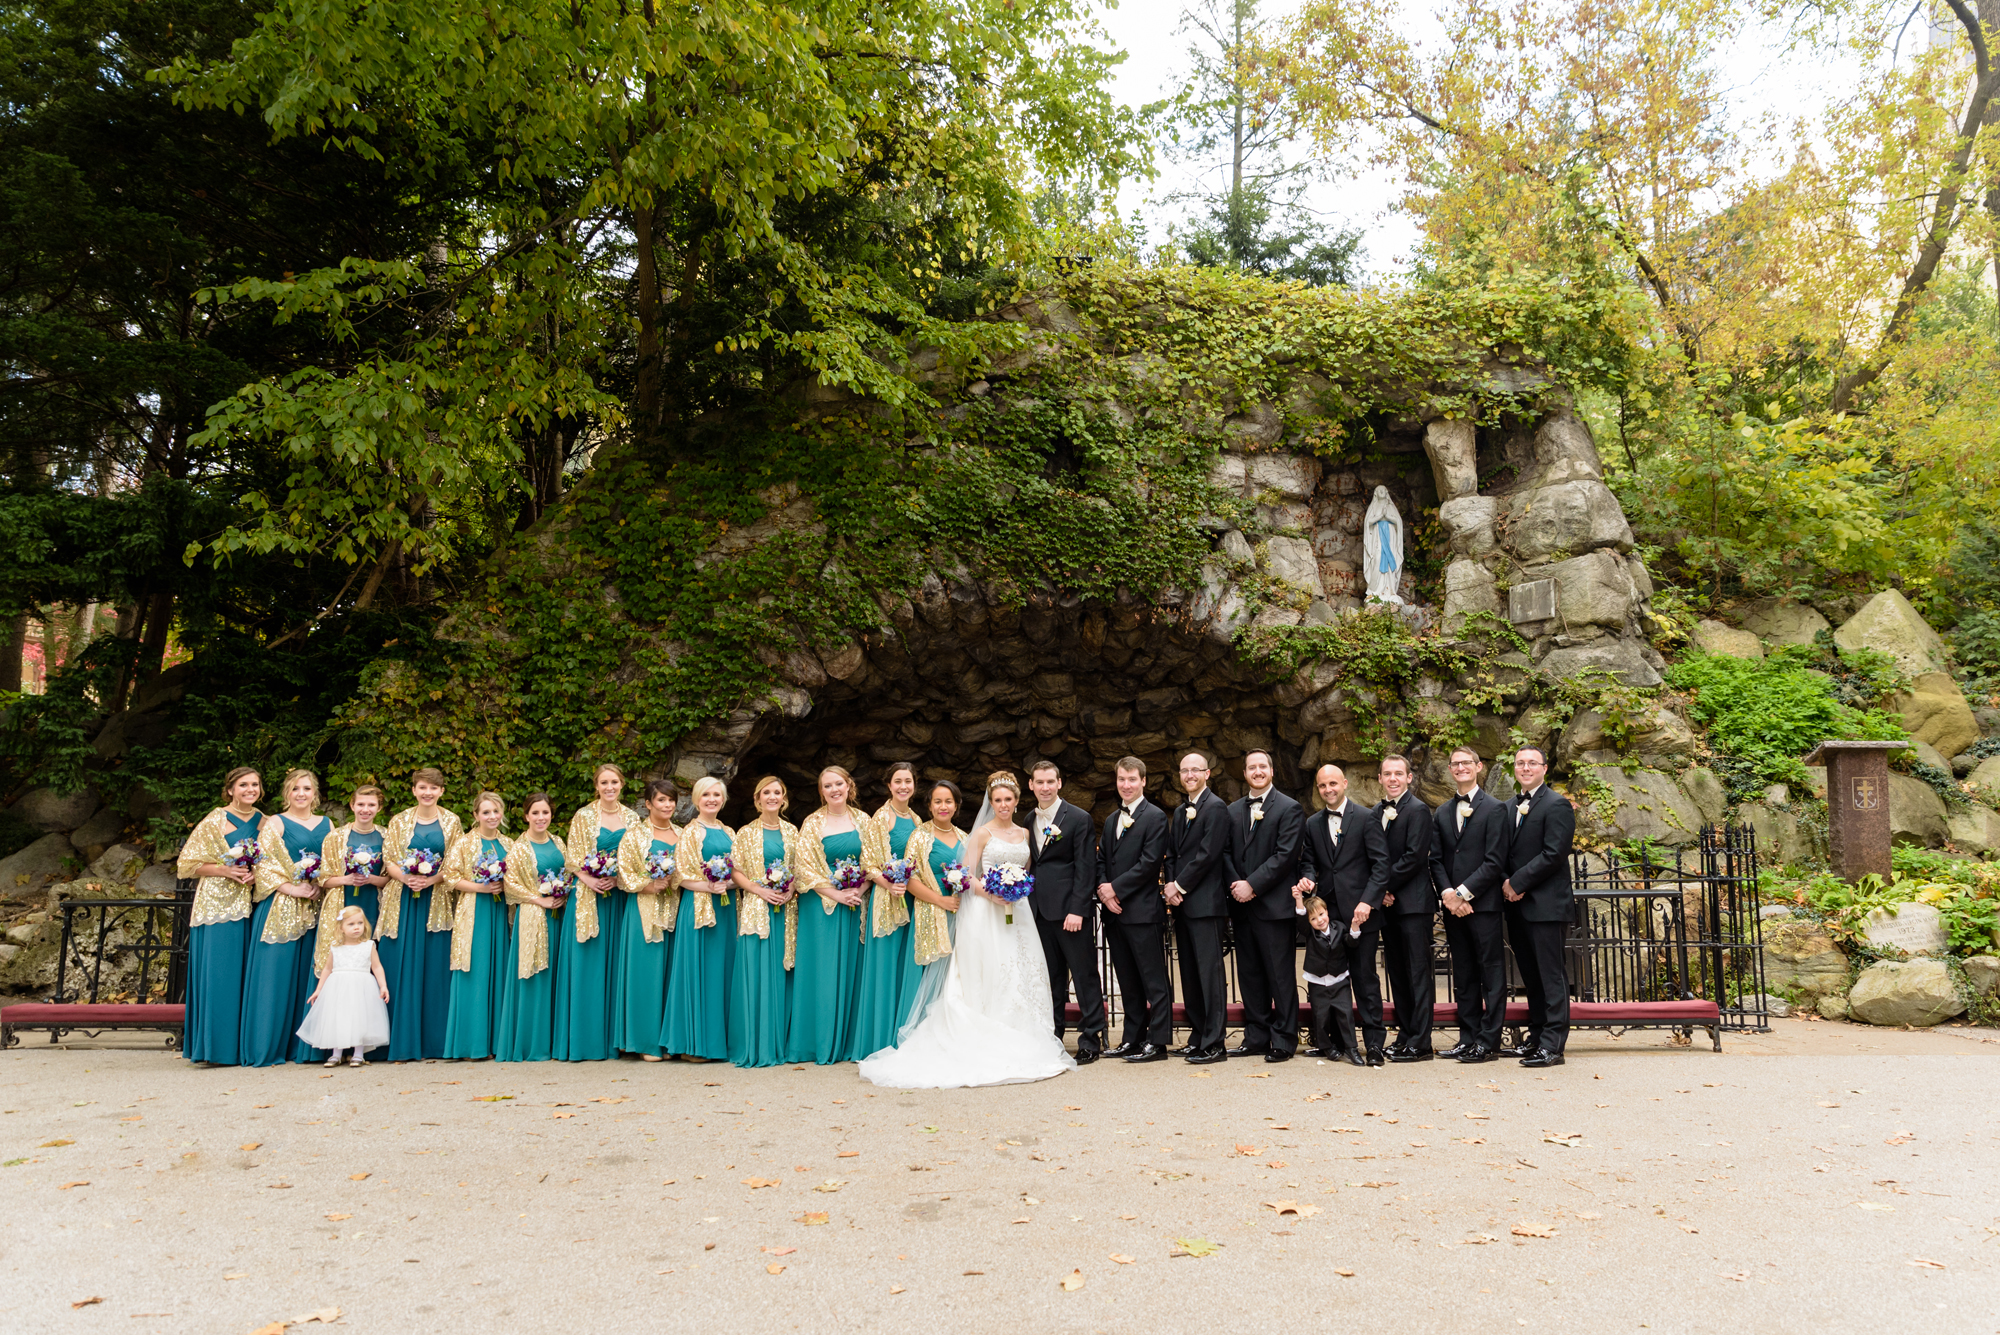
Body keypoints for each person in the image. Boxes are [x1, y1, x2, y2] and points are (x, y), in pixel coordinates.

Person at [857, 771, 1075, 1088]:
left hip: (1017, 911)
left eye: (1008, 799)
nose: (1002, 804)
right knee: (991, 968)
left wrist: (1017, 889)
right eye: (997, 799)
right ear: (991, 802)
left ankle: (1025, 1033)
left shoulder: (1025, 834)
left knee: (1021, 969)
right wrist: (990, 892)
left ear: (1016, 802)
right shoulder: (980, 834)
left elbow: (1025, 871)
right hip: (987, 909)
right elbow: (965, 874)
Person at [1294, 764, 1388, 1065]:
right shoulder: (1312, 823)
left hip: (1361, 914)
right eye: (1322, 786)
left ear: (1344, 783)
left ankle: (1373, 1043)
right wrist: (1307, 878)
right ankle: (1332, 1042)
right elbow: (1308, 861)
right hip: (1328, 917)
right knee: (1329, 980)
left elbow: (1380, 865)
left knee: (1364, 978)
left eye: (1333, 783)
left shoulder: (1367, 817)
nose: (1328, 790)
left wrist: (1368, 902)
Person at [786, 767, 881, 1064]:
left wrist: (861, 887)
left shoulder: (864, 821)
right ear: (821, 791)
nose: (834, 789)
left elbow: (874, 860)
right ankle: (818, 1043)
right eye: (828, 785)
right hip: (822, 905)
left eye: (839, 783)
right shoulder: (812, 823)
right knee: (823, 969)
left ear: (849, 785)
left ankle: (850, 1043)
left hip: (856, 902)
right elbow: (803, 868)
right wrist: (837, 893)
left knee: (853, 969)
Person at [178, 767, 265, 1066]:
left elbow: (275, 859)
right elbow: (188, 864)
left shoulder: (265, 822)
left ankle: (242, 1046)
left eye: (254, 784)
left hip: (252, 902)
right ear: (230, 789)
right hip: (217, 904)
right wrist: (225, 869)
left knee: (247, 976)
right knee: (220, 973)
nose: (250, 789)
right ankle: (215, 1049)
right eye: (243, 785)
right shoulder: (215, 820)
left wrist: (259, 874)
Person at [244, 769, 330, 1066]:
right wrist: (293, 888)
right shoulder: (276, 823)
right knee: (276, 976)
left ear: (315, 793)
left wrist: (321, 883)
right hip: (282, 906)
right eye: (295, 789)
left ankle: (305, 1048)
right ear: (287, 793)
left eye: (307, 788)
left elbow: (333, 861)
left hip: (317, 906)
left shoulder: (328, 824)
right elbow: (263, 865)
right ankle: (268, 1047)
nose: (301, 794)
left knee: (310, 976)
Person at [1429, 747, 1510, 1063]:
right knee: (1462, 973)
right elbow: (1436, 859)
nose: (1461, 768)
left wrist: (1462, 893)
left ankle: (1488, 1041)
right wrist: (1448, 894)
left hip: (1483, 905)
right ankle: (1468, 1037)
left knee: (1491, 972)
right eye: (1455, 764)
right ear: (1450, 770)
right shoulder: (1442, 812)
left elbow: (1494, 861)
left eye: (1467, 763)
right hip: (1453, 906)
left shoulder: (1495, 809)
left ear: (1479, 767)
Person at [1224, 750, 1305, 1062]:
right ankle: (1256, 1035)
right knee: (1250, 974)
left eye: (1262, 767)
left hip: (1273, 907)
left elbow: (1285, 857)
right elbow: (1225, 853)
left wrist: (1252, 885)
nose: (1257, 772)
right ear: (1244, 773)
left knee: (1279, 975)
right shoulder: (1231, 811)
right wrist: (1236, 886)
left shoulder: (1289, 808)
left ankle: (1284, 1039)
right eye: (1251, 767)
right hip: (1241, 906)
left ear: (1272, 771)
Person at [1022, 760, 1104, 1062]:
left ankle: (1091, 1037)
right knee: (1050, 977)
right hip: (1039, 911)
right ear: (1031, 785)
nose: (1044, 787)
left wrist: (1077, 910)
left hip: (1070, 912)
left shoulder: (1079, 818)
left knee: (1084, 976)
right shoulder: (1028, 818)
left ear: (1059, 783)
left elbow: (1086, 868)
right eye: (1039, 782)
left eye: (1050, 782)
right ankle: (1053, 1035)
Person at [381, 770, 462, 1061]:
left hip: (436, 899)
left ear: (442, 791)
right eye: (422, 787)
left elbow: (456, 862)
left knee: (435, 966)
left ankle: (435, 1042)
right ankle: (397, 1041)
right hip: (403, 898)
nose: (428, 792)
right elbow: (389, 858)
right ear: (414, 790)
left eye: (434, 787)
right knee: (400, 964)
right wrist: (406, 878)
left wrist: (431, 879)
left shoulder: (452, 821)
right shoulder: (399, 820)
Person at [1503, 746, 1576, 1067]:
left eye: (1532, 763)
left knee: (1551, 975)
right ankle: (1536, 1037)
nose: (1526, 767)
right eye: (1520, 763)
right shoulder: (1507, 808)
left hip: (1546, 905)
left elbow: (1554, 853)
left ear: (1544, 768)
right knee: (1530, 976)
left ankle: (1553, 1045)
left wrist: (1517, 883)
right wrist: (1506, 882)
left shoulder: (1557, 804)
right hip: (1516, 906)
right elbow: (1499, 851)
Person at [1095, 757, 1170, 1063]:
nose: (1126, 785)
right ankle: (1132, 1038)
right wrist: (1103, 890)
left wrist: (1116, 888)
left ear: (1143, 782)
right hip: (1115, 913)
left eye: (1132, 779)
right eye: (1121, 779)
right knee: (1127, 979)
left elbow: (1150, 863)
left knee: (1154, 980)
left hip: (1142, 912)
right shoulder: (1113, 819)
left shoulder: (1155, 817)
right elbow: (1101, 860)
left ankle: (1159, 1042)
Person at [556, 765, 632, 1062]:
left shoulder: (632, 817)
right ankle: (584, 1040)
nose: (609, 787)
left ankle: (614, 1040)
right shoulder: (583, 816)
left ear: (622, 784)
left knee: (615, 965)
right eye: (604, 782)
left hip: (618, 898)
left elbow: (636, 855)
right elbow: (572, 857)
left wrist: (618, 877)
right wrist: (589, 879)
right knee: (588, 963)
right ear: (596, 786)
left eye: (614, 781)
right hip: (588, 895)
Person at [664, 775, 739, 1061]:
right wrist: (708, 885)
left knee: (723, 970)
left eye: (717, 795)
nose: (712, 800)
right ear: (696, 799)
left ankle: (720, 1041)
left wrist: (729, 884)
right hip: (699, 908)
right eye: (706, 795)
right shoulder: (690, 832)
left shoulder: (730, 832)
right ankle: (693, 1043)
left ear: (723, 799)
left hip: (726, 905)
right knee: (700, 969)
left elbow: (739, 869)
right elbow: (680, 875)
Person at [1163, 751, 1231, 1064]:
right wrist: (1172, 887)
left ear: (1207, 773)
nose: (1190, 775)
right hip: (1183, 904)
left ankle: (1215, 1043)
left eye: (1195, 770)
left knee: (1210, 975)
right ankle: (1197, 1035)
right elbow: (1174, 854)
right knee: (1189, 973)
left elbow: (1208, 855)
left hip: (1206, 904)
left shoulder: (1216, 807)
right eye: (1184, 771)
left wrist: (1179, 885)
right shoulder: (1181, 810)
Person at [726, 775, 797, 1068]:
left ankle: (780, 1040)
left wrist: (790, 888)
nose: (772, 797)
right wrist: (760, 890)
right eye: (766, 792)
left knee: (783, 969)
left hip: (787, 906)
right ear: (757, 799)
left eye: (777, 792)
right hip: (757, 906)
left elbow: (800, 868)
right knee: (757, 970)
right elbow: (735, 871)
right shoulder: (745, 833)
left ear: (783, 798)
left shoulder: (793, 831)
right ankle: (755, 1043)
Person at [851, 763, 920, 1058]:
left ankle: (903, 1035)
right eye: (898, 781)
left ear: (914, 785)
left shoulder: (916, 818)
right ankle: (878, 1041)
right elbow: (868, 862)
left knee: (906, 967)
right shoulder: (882, 817)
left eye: (908, 781)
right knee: (885, 965)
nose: (903, 786)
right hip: (888, 897)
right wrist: (889, 884)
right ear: (889, 786)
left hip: (911, 897)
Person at [494, 794, 569, 1062]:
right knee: (535, 974)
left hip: (559, 915)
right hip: (534, 914)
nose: (541, 818)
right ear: (526, 816)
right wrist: (540, 900)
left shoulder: (558, 842)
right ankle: (531, 1042)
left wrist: (563, 892)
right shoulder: (519, 848)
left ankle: (554, 1039)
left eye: (545, 813)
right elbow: (510, 885)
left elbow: (568, 872)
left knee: (557, 974)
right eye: (535, 813)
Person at [1375, 754, 1439, 1062]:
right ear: (1380, 779)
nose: (1393, 779)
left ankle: (1421, 1041)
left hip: (1413, 904)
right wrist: (1381, 891)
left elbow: (1414, 857)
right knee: (1397, 973)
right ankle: (1405, 1032)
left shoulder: (1418, 810)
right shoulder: (1375, 812)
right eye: (1387, 774)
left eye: (1398, 773)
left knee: (1417, 972)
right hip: (1386, 906)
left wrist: (1384, 887)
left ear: (1409, 778)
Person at [441, 792, 512, 1060]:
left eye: (496, 811)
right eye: (486, 812)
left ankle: (497, 1042)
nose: (492, 816)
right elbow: (450, 877)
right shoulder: (464, 842)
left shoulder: (509, 843)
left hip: (501, 911)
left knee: (499, 969)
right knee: (475, 968)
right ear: (475, 815)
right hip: (475, 910)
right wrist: (480, 887)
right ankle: (471, 1044)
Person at [613, 778, 680, 1060]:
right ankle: (645, 1042)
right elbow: (623, 872)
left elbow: (688, 868)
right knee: (646, 972)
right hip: (644, 908)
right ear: (648, 804)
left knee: (669, 974)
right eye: (661, 800)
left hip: (675, 908)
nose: (667, 805)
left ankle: (667, 1040)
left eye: (671, 800)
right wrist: (647, 884)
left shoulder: (683, 833)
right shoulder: (634, 835)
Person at [899, 779, 966, 1041]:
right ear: (929, 806)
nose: (943, 806)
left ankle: (953, 1032)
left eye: (948, 801)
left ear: (956, 805)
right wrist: (941, 901)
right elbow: (910, 879)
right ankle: (924, 1035)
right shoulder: (920, 836)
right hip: (931, 910)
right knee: (930, 973)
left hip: (960, 913)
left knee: (955, 975)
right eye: (937, 801)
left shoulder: (964, 837)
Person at [313, 785, 391, 983]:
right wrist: (346, 879)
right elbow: (323, 878)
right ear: (352, 805)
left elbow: (392, 880)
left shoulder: (387, 837)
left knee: (371, 956)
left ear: (379, 808)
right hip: (343, 902)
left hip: (374, 903)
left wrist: (372, 879)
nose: (366, 809)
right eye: (361, 804)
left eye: (371, 805)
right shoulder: (336, 837)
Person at [296, 906, 391, 1067]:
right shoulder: (335, 947)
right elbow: (327, 968)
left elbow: (377, 967)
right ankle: (336, 1054)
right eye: (351, 924)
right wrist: (318, 990)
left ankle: (358, 1054)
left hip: (361, 988)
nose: (356, 927)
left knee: (360, 1018)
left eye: (360, 923)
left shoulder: (368, 946)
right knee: (338, 1017)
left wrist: (383, 986)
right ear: (341, 928)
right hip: (338, 988)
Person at [1299, 896, 1357, 1061]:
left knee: (1345, 1014)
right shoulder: (1309, 932)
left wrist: (1354, 927)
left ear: (1327, 912)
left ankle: (1351, 1048)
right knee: (1321, 1016)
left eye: (1322, 914)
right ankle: (1326, 1046)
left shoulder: (1339, 927)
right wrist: (1298, 899)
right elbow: (1301, 919)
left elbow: (1350, 943)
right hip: (1318, 981)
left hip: (1339, 979)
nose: (1319, 920)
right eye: (1313, 918)